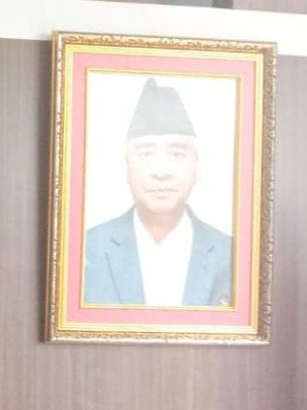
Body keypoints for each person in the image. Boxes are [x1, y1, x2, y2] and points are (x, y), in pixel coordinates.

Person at [82, 77, 233, 307]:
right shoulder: (86, 250)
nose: (161, 171)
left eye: (177, 154)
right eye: (145, 154)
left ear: (196, 165)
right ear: (127, 167)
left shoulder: (232, 255)